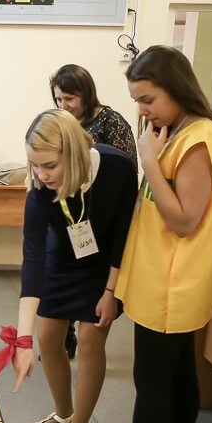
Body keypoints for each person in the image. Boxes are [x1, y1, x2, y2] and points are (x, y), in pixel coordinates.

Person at [79, 45, 212, 423]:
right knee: (181, 377)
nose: (143, 110)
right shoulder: (177, 132)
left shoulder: (199, 139)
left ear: (176, 88)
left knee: (152, 383)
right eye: (137, 101)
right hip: (162, 281)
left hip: (171, 285)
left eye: (148, 99)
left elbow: (184, 220)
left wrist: (148, 161)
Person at [10, 108, 138, 423]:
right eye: (35, 165)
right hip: (62, 260)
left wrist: (111, 291)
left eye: (49, 165)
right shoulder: (39, 188)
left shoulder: (118, 168)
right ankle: (63, 415)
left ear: (74, 153)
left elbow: (125, 234)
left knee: (90, 339)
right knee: (48, 338)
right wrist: (22, 341)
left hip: (105, 268)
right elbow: (32, 259)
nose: (42, 175)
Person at [50, 63, 137, 359]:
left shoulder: (112, 122)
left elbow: (127, 174)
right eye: (58, 99)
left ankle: (86, 336)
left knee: (92, 289)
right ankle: (65, 335)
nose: (64, 105)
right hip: (72, 217)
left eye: (69, 98)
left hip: (103, 222)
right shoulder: (61, 124)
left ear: (86, 94)